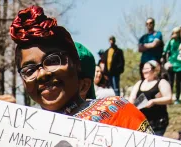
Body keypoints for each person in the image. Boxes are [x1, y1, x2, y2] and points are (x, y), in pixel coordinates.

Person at [9, 5, 153, 133]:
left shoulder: (119, 112)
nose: (42, 75)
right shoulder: (20, 131)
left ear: (76, 64)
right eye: (29, 71)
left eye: (52, 61)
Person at [129, 60, 172, 136]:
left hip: (158, 123)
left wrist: (154, 101)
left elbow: (169, 98)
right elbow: (131, 98)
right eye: (143, 69)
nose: (144, 71)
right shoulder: (139, 83)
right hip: (142, 123)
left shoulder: (161, 82)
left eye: (147, 68)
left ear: (155, 69)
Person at [162, 27, 181, 104]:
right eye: (174, 33)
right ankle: (168, 98)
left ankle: (177, 98)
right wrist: (165, 63)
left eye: (177, 33)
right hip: (171, 63)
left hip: (179, 64)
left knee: (178, 82)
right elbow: (164, 51)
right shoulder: (170, 41)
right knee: (170, 82)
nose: (175, 34)